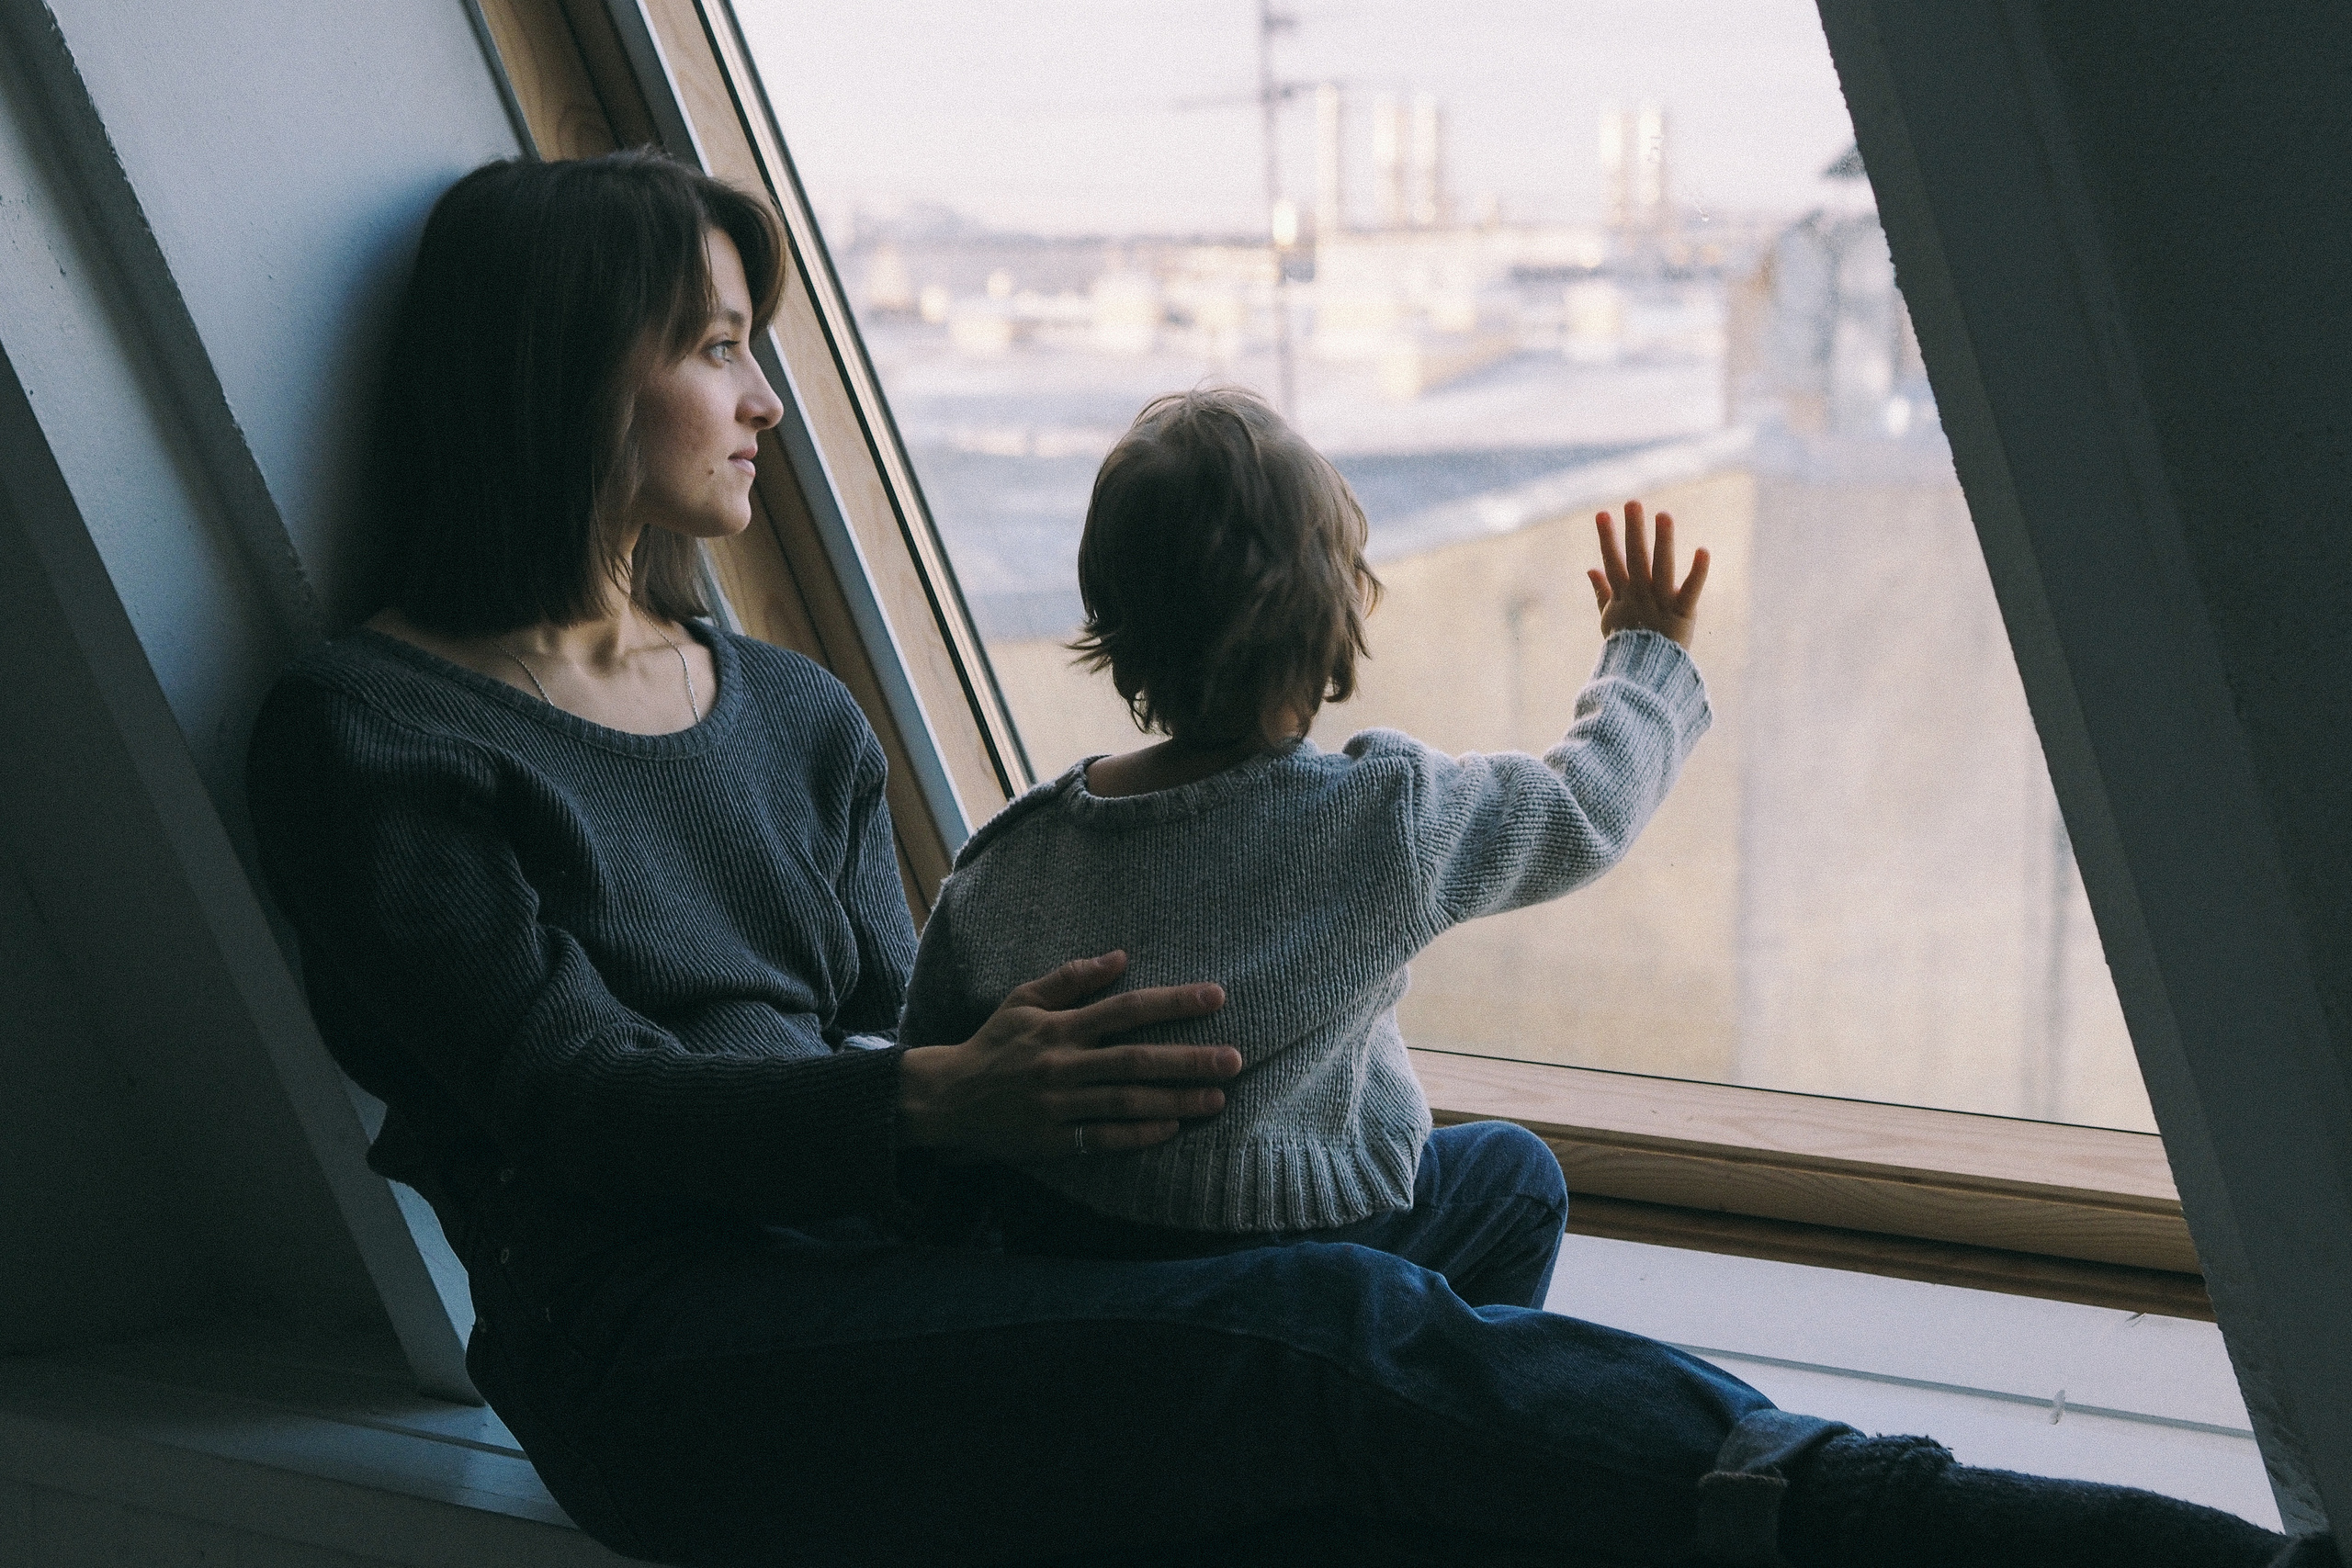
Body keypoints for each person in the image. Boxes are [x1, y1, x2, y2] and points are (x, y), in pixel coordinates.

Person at [244, 150, 2324, 1568]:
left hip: (895, 1267)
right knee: (1322, 1316)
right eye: (713, 343)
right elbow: (571, 1098)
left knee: (1483, 1178)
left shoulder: (781, 703)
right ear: (555, 374)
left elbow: (901, 1039)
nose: (766, 393)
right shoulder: (378, 729)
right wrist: (949, 1094)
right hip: (669, 1361)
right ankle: (1880, 1513)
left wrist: (1070, 1074)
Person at [899, 389, 1707, 1291]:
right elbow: (1578, 813)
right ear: (1334, 616)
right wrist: (1644, 659)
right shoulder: (1381, 815)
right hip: (1321, 1248)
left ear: (1112, 617)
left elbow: (934, 1066)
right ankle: (1431, 1388)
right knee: (1517, 1178)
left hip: (1080, 1251)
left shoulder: (1012, 855)